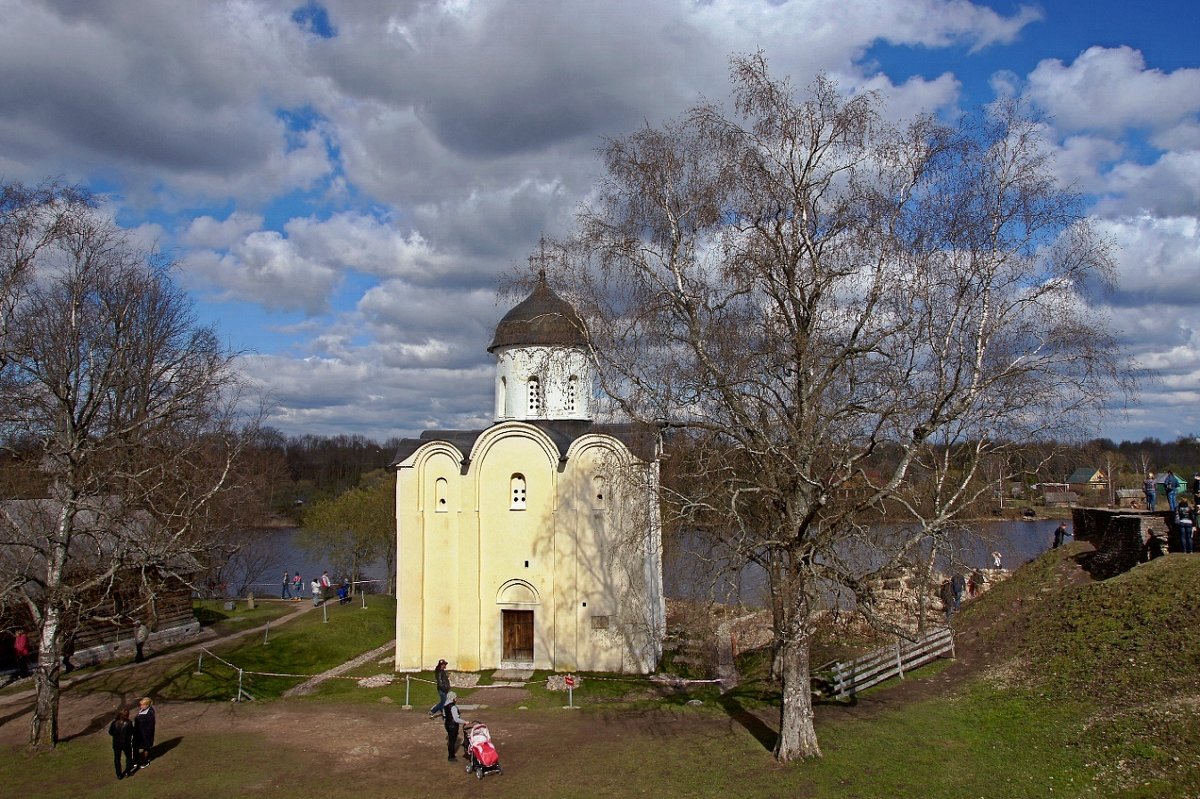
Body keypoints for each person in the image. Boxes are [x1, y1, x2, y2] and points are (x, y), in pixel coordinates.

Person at [108, 707, 135, 779]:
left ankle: (119, 775)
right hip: (126, 743)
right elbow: (132, 732)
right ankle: (128, 771)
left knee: (117, 759)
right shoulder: (129, 723)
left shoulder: (114, 723)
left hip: (116, 744)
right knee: (128, 757)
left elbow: (110, 732)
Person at [133, 696, 156, 769]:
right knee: (136, 746)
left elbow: (151, 726)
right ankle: (136, 760)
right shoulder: (142, 710)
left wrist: (146, 735)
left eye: (142, 705)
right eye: (141, 704)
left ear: (147, 705)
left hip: (145, 734)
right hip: (138, 733)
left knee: (146, 747)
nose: (141, 706)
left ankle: (145, 761)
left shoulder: (150, 713)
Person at [442, 691, 464, 761]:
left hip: (447, 724)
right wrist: (465, 722)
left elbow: (444, 715)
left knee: (451, 740)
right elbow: (456, 719)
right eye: (455, 697)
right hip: (453, 726)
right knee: (452, 741)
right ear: (452, 698)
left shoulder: (445, 705)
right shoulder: (453, 707)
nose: (456, 698)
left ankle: (451, 755)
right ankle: (451, 757)